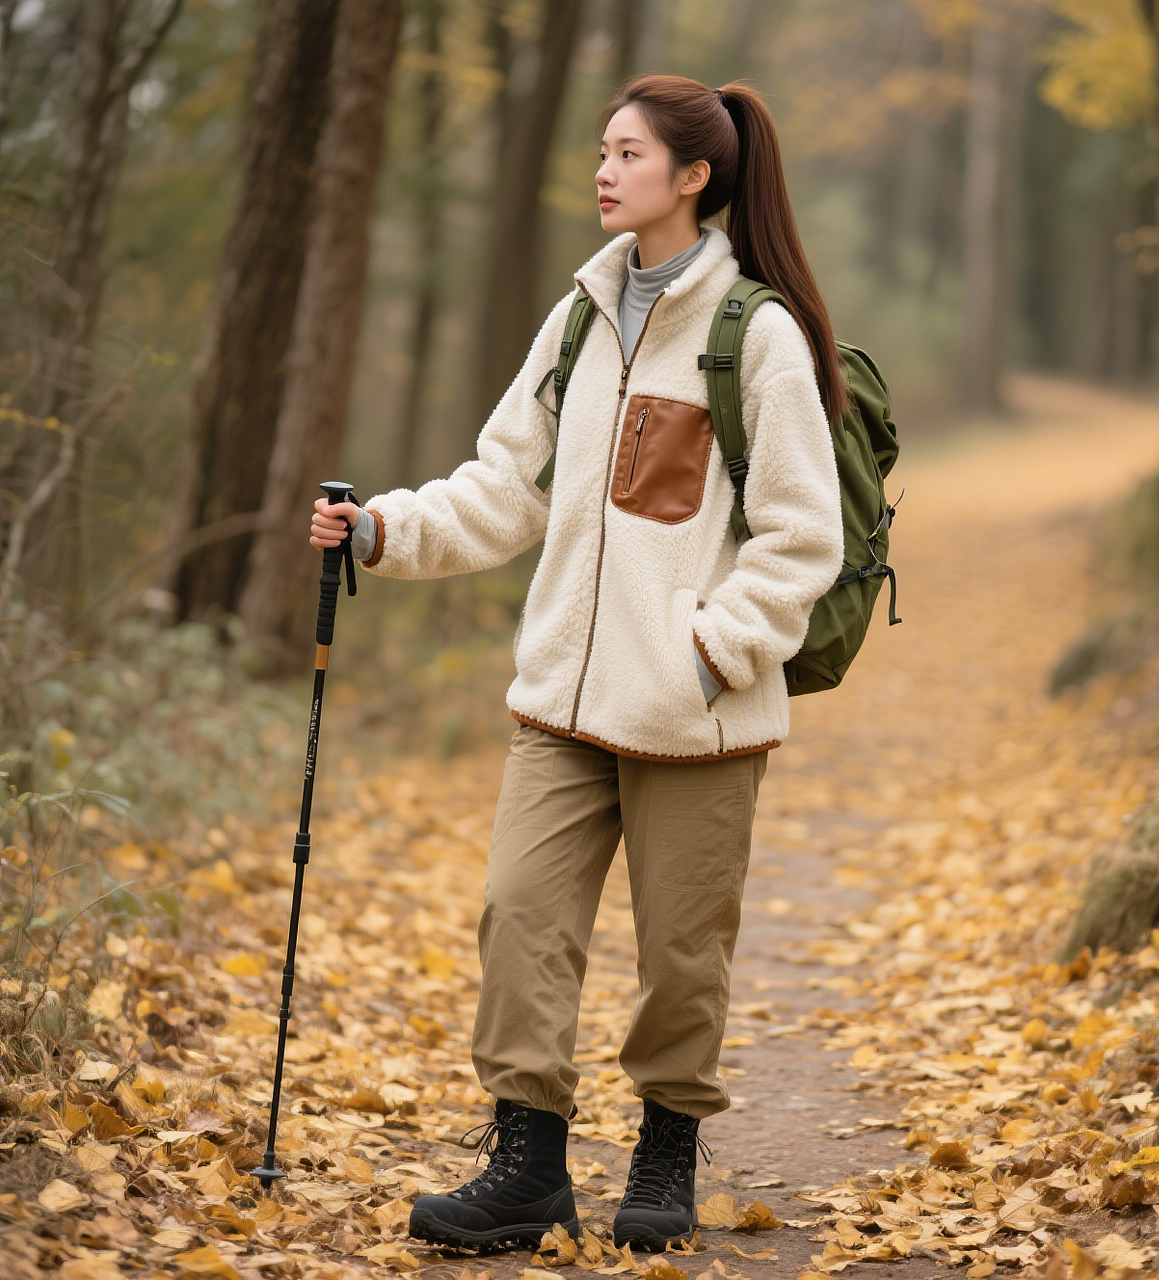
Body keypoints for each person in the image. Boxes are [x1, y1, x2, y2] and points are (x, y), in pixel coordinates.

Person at [309, 73, 845, 1257]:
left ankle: (663, 1147)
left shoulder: (749, 333)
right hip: (559, 698)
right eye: (598, 150)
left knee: (678, 952)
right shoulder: (576, 320)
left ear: (692, 175)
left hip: (693, 713)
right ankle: (526, 1160)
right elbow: (505, 491)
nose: (601, 171)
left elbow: (806, 537)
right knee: (520, 917)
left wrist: (709, 653)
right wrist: (386, 529)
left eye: (625, 153)